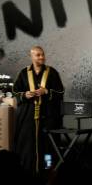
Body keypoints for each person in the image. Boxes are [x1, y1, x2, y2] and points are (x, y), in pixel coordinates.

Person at [12, 46, 64, 174]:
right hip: (28, 118)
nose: (42, 57)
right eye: (38, 55)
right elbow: (15, 92)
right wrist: (25, 95)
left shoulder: (52, 72)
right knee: (27, 146)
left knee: (48, 147)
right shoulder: (23, 73)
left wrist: (46, 91)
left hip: (48, 117)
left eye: (43, 54)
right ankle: (27, 172)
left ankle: (48, 171)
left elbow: (61, 92)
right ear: (32, 56)